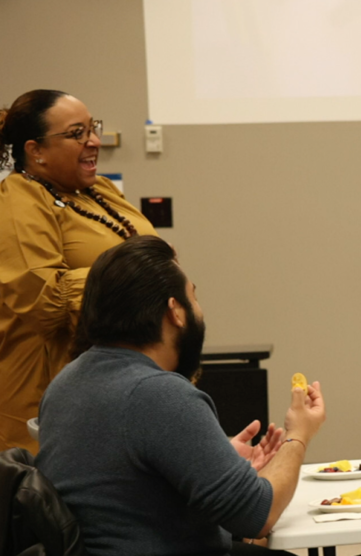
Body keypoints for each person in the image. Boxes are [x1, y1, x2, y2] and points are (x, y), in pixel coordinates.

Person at [35, 236, 326, 555]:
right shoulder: (159, 393)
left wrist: (210, 462)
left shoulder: (65, 384)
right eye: (194, 298)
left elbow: (115, 485)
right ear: (176, 312)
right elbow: (257, 516)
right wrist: (298, 434)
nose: (199, 311)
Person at [0, 89, 157, 452]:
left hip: (120, 378)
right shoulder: (19, 198)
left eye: (93, 128)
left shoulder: (97, 191)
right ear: (35, 150)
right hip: (50, 399)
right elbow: (44, 300)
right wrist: (137, 276)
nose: (94, 142)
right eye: (76, 134)